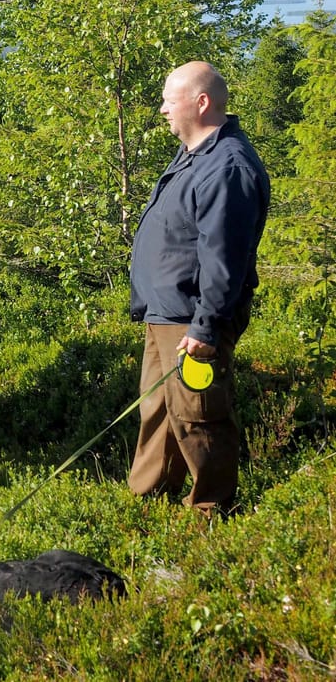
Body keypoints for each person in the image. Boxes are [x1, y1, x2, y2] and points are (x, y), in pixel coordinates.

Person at [128, 61, 270, 517]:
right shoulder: (196, 152)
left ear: (201, 102)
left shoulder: (227, 168)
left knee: (197, 414)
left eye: (171, 98)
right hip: (166, 311)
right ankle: (149, 498)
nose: (163, 107)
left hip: (193, 318)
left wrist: (206, 328)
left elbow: (223, 260)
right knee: (158, 410)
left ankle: (212, 508)